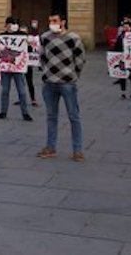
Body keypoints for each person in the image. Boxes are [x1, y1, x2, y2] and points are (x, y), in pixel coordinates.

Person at [37, 13, 86, 161]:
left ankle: (78, 150)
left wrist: (73, 75)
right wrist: (46, 71)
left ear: (63, 22)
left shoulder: (73, 38)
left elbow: (80, 59)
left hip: (67, 83)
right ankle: (50, 147)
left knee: (74, 116)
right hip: (49, 83)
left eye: (55, 21)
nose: (52, 23)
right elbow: (42, 57)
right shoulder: (45, 37)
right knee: (51, 116)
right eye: (50, 21)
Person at [0, 17, 33, 123]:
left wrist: (29, 43)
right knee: (4, 91)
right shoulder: (2, 36)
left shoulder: (22, 35)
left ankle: (25, 112)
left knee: (22, 91)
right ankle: (3, 111)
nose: (14, 25)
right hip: (5, 68)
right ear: (7, 25)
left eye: (16, 23)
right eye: (12, 23)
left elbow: (29, 49)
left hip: (18, 68)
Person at [112, 18, 131, 99]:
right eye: (124, 26)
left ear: (130, 27)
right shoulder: (121, 36)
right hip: (122, 58)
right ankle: (123, 92)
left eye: (127, 26)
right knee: (122, 76)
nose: (125, 28)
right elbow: (116, 47)